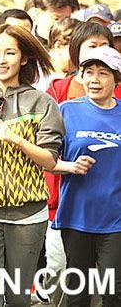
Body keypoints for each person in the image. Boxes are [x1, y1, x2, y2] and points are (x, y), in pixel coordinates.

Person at [0, 24, 65, 306]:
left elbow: (50, 160)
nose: (1, 59)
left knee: (17, 298)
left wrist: (17, 140)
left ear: (24, 58)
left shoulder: (43, 102)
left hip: (28, 215)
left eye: (9, 53)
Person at [52, 46, 121, 306]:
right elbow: (46, 160)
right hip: (76, 216)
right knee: (77, 293)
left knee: (114, 293)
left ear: (116, 78)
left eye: (103, 73)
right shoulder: (66, 110)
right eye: (88, 72)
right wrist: (69, 166)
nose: (94, 79)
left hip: (116, 220)